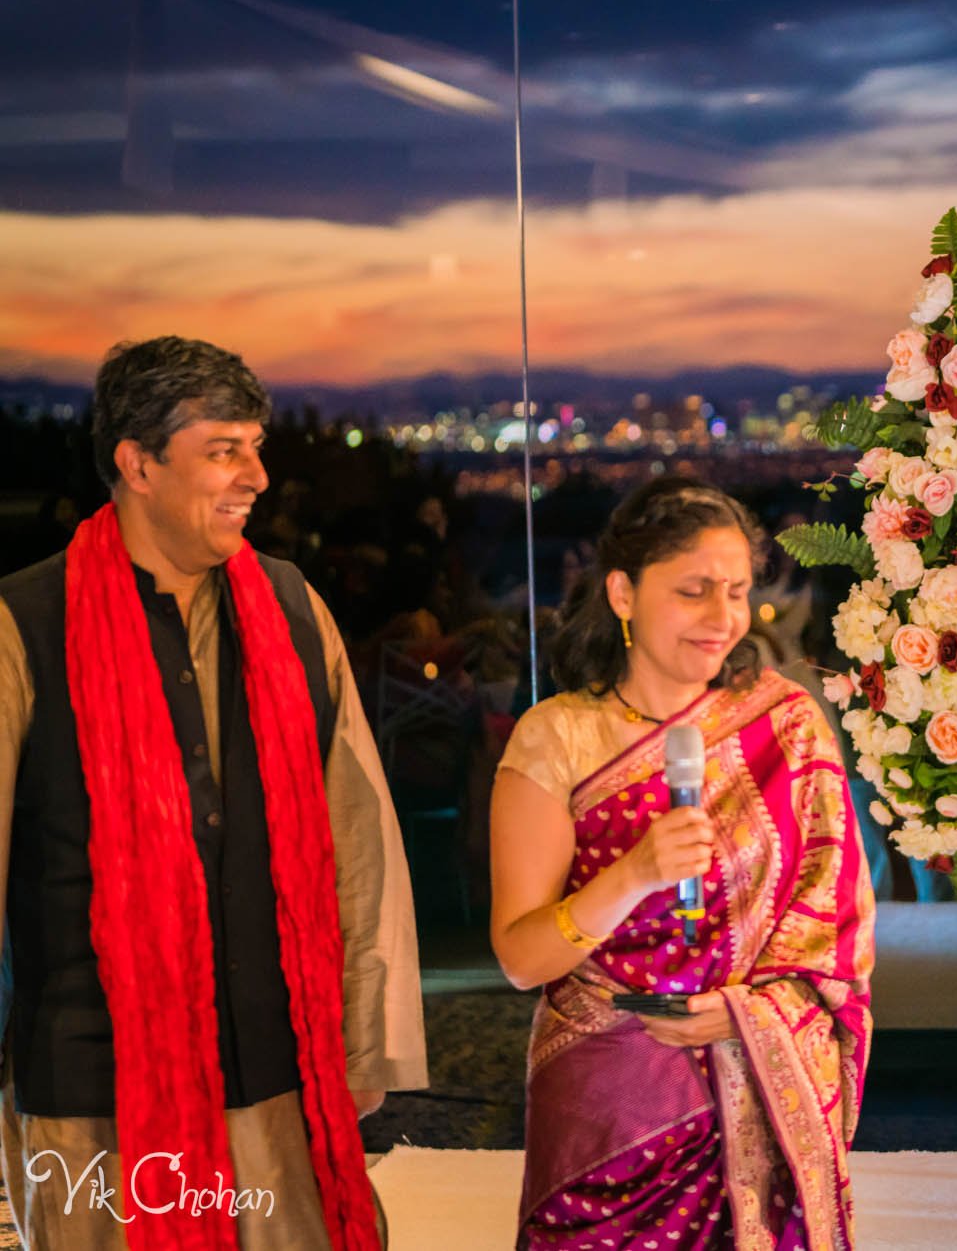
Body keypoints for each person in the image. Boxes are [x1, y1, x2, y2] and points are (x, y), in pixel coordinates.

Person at [0, 337, 427, 1248]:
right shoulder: (22, 626)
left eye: (256, 446)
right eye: (224, 449)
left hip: (282, 1076)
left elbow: (358, 838)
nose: (258, 477)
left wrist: (364, 1040)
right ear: (138, 462)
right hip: (94, 1100)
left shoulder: (291, 609)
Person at [490, 477, 873, 1251]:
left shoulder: (786, 724)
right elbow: (521, 957)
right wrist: (631, 875)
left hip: (754, 1087)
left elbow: (832, 922)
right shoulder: (558, 737)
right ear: (623, 592)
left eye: (735, 592)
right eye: (694, 590)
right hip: (609, 1100)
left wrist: (743, 1012)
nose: (723, 618)